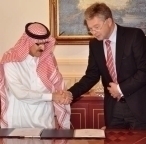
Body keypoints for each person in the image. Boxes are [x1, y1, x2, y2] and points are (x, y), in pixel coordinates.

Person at [66, 2, 146, 129]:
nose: (94, 32)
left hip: (138, 107)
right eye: (90, 29)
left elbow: (144, 71)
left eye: (96, 27)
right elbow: (91, 76)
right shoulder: (95, 44)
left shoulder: (134, 36)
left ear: (109, 21)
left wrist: (120, 89)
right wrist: (70, 93)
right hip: (114, 109)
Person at [0, 22, 72, 130]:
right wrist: (52, 96)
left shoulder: (48, 60)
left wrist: (65, 95)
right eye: (38, 44)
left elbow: (58, 87)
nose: (43, 47)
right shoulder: (11, 61)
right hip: (19, 122)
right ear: (28, 42)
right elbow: (20, 93)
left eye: (45, 43)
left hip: (46, 122)